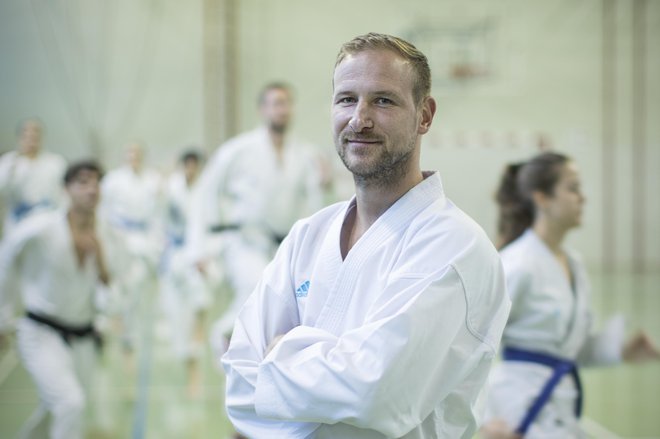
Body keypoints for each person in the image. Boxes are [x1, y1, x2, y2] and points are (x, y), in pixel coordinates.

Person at [221, 32, 510, 438]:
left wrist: (281, 354)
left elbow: (376, 392)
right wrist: (333, 371)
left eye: (383, 100)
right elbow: (239, 384)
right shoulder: (309, 235)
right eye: (346, 99)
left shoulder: (454, 245)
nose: (359, 118)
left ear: (425, 115)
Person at [482, 152, 660, 439]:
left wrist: (620, 350)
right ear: (542, 198)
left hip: (561, 407)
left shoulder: (574, 265)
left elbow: (570, 350)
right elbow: (470, 346)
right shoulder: (516, 264)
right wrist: (484, 419)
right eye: (573, 188)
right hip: (515, 414)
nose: (583, 198)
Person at [188, 82, 324, 359]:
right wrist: (200, 248)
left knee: (284, 305)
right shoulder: (238, 150)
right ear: (263, 109)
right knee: (256, 287)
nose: (281, 110)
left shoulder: (306, 154)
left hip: (285, 243)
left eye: (286, 103)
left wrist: (327, 184)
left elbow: (317, 203)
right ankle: (225, 332)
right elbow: (205, 193)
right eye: (275, 103)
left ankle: (249, 351)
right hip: (244, 239)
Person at [0, 160, 123, 439]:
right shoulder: (42, 227)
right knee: (70, 404)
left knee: (55, 408)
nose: (91, 189)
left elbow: (114, 291)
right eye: (82, 182)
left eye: (96, 183)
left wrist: (101, 258)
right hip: (40, 332)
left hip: (83, 337)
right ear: (66, 189)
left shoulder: (107, 234)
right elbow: (5, 255)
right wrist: (2, 317)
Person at [100, 141, 163, 352]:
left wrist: (157, 242)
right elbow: (103, 211)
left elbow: (158, 213)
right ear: (124, 156)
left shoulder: (152, 180)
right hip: (120, 237)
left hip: (144, 238)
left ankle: (133, 330)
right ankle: (116, 324)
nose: (133, 158)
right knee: (120, 285)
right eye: (130, 154)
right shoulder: (113, 181)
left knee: (140, 283)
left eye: (137, 154)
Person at [159, 149, 211, 397]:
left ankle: (196, 371)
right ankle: (188, 367)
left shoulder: (206, 191)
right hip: (175, 257)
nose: (191, 170)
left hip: (200, 258)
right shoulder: (170, 189)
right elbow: (158, 220)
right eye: (186, 166)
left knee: (200, 305)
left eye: (194, 166)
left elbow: (208, 227)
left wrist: (206, 255)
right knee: (178, 315)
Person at [0, 118, 67, 237]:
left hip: (48, 219)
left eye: (35, 132)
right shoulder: (9, 162)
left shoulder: (55, 162)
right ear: (19, 136)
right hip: (18, 220)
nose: (31, 136)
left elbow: (64, 194)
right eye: (26, 132)